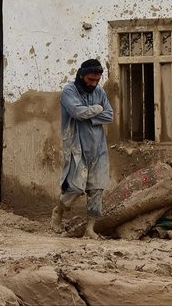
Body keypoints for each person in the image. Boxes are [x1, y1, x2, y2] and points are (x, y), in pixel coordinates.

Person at [50, 59, 113, 239]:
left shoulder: (100, 91)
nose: (94, 84)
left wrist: (91, 113)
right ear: (81, 75)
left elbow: (109, 115)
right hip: (77, 146)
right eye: (90, 80)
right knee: (75, 188)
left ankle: (90, 229)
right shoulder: (69, 91)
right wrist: (97, 108)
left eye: (96, 80)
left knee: (97, 189)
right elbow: (77, 113)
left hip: (98, 147)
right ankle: (58, 212)